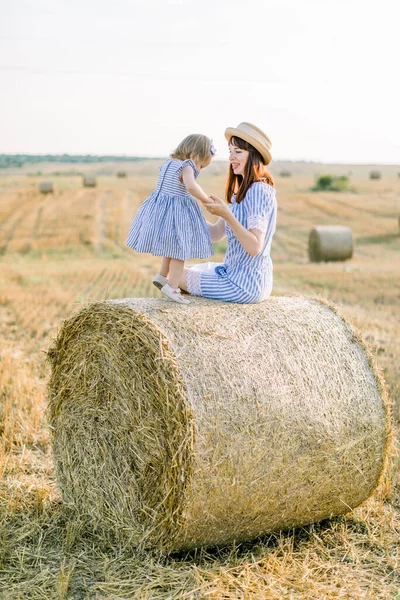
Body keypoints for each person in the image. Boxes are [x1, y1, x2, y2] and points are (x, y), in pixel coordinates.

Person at [179, 122, 277, 303]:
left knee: (172, 275)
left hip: (244, 284)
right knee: (176, 269)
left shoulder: (259, 190)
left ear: (254, 155)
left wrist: (227, 214)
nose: (231, 157)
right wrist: (187, 218)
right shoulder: (242, 192)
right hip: (233, 272)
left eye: (238, 151)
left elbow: (254, 247)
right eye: (230, 151)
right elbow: (216, 234)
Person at [126, 134, 216, 304]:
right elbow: (191, 186)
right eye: (202, 165)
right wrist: (206, 200)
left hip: (160, 211)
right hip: (177, 213)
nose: (199, 170)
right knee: (180, 250)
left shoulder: (168, 163)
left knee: (170, 247)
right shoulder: (187, 166)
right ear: (195, 155)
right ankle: (173, 286)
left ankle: (161, 276)